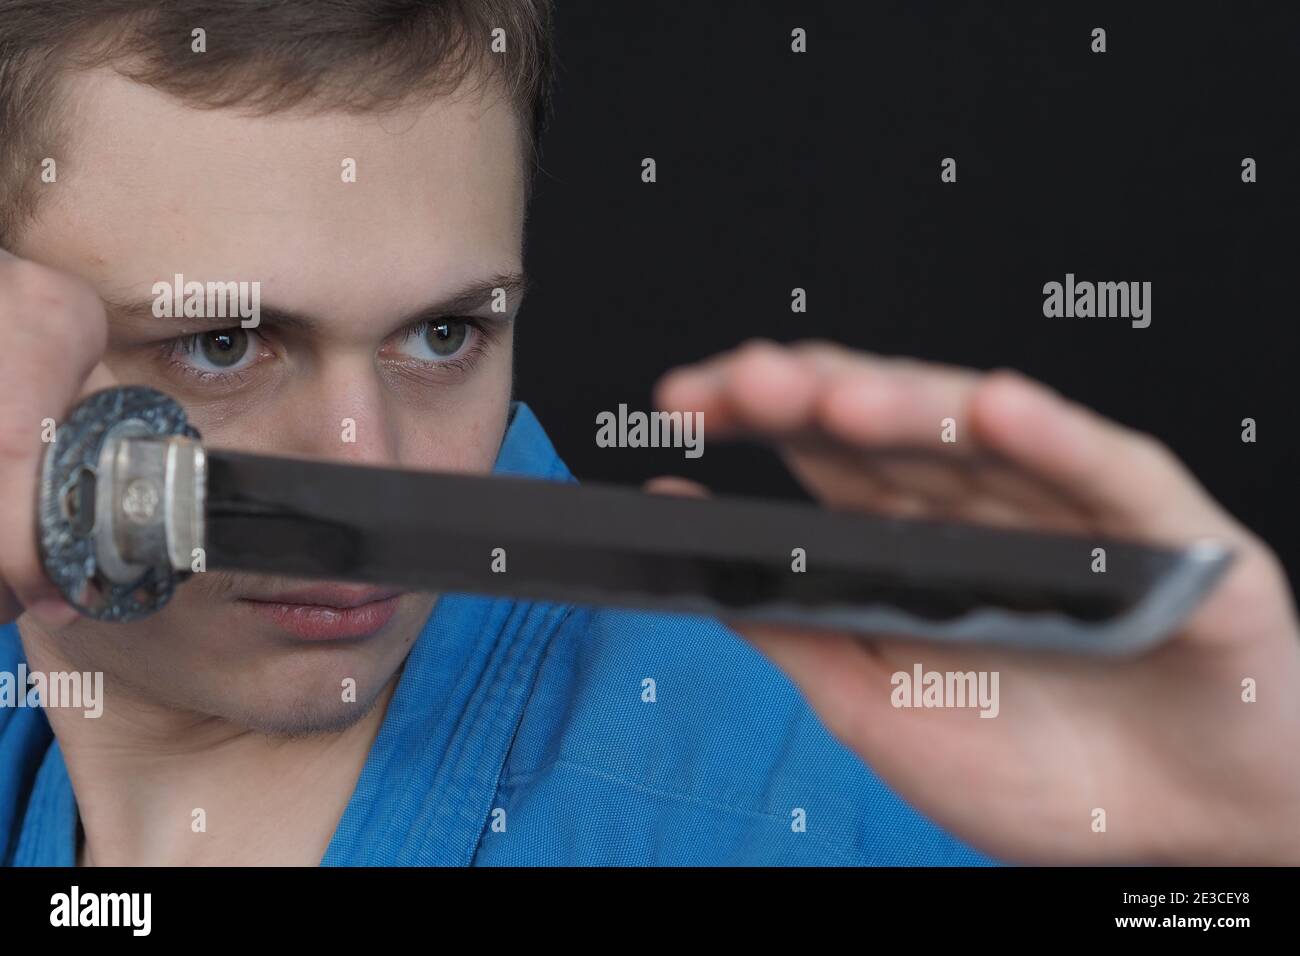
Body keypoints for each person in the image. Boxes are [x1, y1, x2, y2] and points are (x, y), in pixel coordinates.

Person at [0, 0, 1296, 867]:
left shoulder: (786, 807)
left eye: (446, 335)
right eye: (222, 346)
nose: (368, 470)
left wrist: (1253, 833)